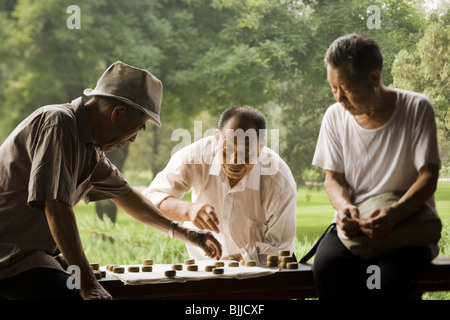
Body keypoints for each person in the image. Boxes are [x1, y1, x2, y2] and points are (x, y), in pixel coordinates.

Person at [0, 61, 222, 300]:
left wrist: (187, 234)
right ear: (118, 113)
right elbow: (56, 208)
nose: (134, 139)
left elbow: (127, 196)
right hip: (10, 261)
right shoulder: (59, 124)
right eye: (138, 128)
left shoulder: (90, 151)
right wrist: (87, 282)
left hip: (30, 260)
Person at [311, 34, 441, 300]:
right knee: (326, 266)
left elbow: (428, 175)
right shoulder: (334, 117)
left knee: (385, 281)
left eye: (345, 88)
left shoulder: (416, 108)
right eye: (332, 87)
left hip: (407, 221)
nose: (338, 98)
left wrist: (393, 214)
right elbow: (333, 178)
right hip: (357, 223)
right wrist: (344, 207)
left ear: (373, 79)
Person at [143, 106, 297, 264]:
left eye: (245, 153)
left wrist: (231, 260)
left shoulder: (279, 180)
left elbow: (280, 248)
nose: (234, 161)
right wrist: (187, 210)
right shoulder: (196, 156)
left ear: (260, 147)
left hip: (261, 272)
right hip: (204, 268)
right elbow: (152, 199)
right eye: (226, 150)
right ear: (217, 138)